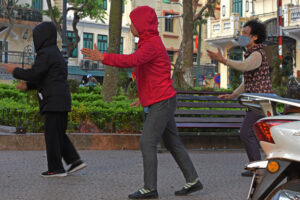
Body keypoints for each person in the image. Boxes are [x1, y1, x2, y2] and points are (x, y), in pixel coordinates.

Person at [81, 6, 202, 199]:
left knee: (147, 142)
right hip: (162, 99)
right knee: (173, 143)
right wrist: (142, 96)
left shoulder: (152, 44)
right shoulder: (147, 43)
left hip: (162, 101)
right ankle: (193, 180)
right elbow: (146, 71)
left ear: (142, 25)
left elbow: (131, 61)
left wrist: (103, 57)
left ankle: (150, 188)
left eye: (133, 22)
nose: (131, 26)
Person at [2, 22, 86, 177]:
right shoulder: (55, 54)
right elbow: (46, 78)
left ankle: (56, 168)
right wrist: (28, 86)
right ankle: (74, 161)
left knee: (52, 135)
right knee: (58, 133)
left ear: (43, 37)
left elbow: (35, 73)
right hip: (61, 100)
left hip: (53, 101)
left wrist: (15, 70)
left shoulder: (46, 53)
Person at [207, 19, 272, 177]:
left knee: (246, 132)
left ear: (254, 37)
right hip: (257, 100)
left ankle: (258, 167)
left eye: (245, 33)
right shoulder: (252, 53)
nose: (241, 36)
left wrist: (224, 60)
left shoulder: (257, 54)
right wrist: (234, 94)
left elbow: (245, 66)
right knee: (258, 134)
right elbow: (247, 80)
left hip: (260, 100)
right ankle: (263, 166)